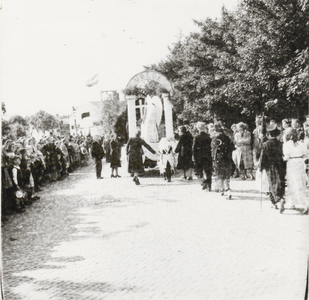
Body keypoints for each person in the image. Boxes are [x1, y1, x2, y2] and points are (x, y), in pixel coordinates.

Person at [259, 123, 286, 212]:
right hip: (280, 166)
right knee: (280, 183)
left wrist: (260, 167)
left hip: (270, 166)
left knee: (272, 183)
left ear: (269, 134)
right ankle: (279, 198)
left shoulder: (265, 144)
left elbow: (263, 157)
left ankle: (278, 200)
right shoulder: (280, 144)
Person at [283, 128, 308, 214]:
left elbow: (286, 157)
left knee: (292, 183)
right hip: (300, 163)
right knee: (300, 183)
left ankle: (302, 203)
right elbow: (305, 155)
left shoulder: (287, 144)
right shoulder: (302, 144)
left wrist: (280, 159)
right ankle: (294, 202)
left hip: (292, 164)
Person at [211, 123, 235, 199]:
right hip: (227, 158)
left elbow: (213, 148)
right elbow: (232, 148)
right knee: (227, 175)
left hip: (219, 159)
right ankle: (227, 189)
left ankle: (222, 190)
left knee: (219, 174)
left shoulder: (215, 139)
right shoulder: (227, 138)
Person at [193, 122, 212, 191]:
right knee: (208, 171)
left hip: (199, 157)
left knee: (198, 172)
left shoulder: (196, 137)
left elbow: (194, 149)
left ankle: (203, 182)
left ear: (198, 128)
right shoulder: (209, 136)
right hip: (208, 156)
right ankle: (209, 185)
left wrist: (194, 158)